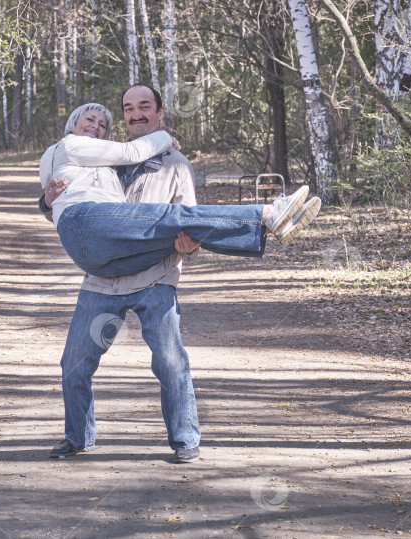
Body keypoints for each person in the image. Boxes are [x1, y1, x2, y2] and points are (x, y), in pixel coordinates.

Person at [39, 85, 316, 463]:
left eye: (144, 107)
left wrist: (191, 247)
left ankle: (185, 441)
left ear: (159, 113)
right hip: (105, 280)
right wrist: (46, 200)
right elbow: (74, 202)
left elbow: (192, 222)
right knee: (74, 363)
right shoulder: (105, 158)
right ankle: (77, 437)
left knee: (170, 362)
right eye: (128, 109)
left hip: (155, 276)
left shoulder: (176, 165)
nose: (135, 115)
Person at [40, 103, 321, 278]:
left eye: (102, 125)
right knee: (172, 217)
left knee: (176, 231)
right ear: (73, 124)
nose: (96, 127)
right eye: (89, 120)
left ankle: (270, 228)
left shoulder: (86, 160)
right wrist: (165, 137)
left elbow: (57, 198)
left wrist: (45, 204)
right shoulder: (70, 144)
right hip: (88, 225)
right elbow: (131, 150)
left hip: (98, 255)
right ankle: (269, 213)